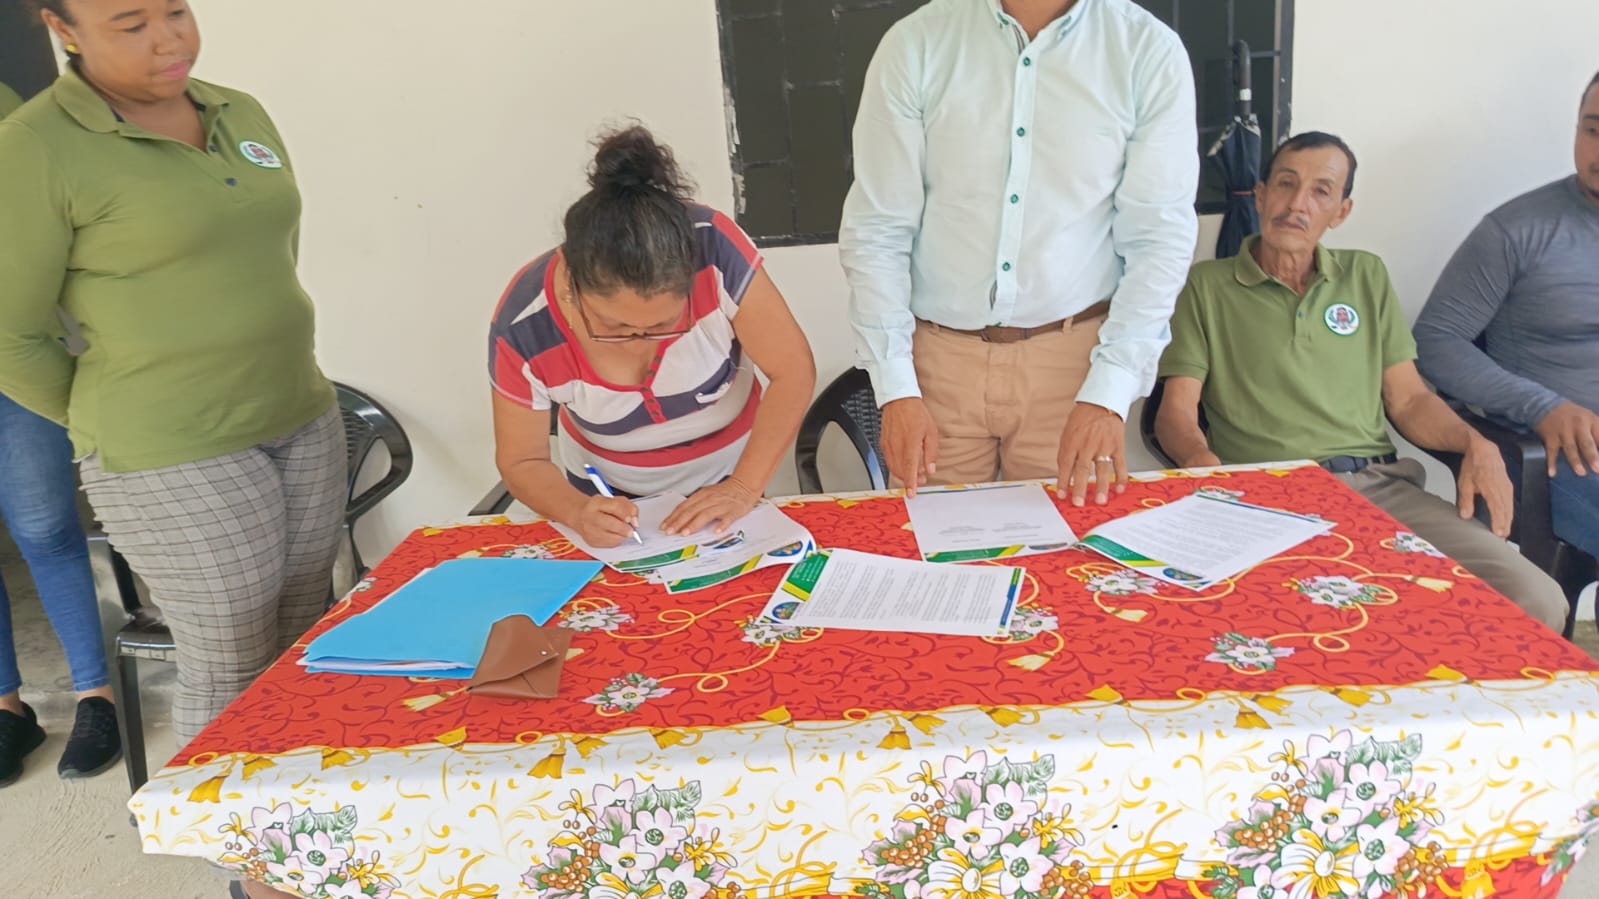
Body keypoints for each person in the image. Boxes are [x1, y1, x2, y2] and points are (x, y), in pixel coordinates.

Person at [0, 0, 346, 823]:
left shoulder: (236, 109)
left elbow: (268, 252)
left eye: (176, 11)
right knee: (229, 653)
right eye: (130, 23)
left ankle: (310, 831)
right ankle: (244, 855)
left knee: (306, 639)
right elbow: (10, 331)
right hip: (166, 447)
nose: (168, 39)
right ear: (61, 27)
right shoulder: (34, 146)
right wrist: (106, 416)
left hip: (298, 412)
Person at [1154, 131, 1568, 633]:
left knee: (1535, 599)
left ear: (1341, 212)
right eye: (1285, 184)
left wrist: (1474, 442)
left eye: (1321, 191)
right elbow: (1176, 413)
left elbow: (1409, 400)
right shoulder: (1207, 286)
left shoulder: (1365, 276)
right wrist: (1200, 461)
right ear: (1260, 195)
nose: (1297, 204)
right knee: (1283, 620)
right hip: (1267, 497)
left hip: (1378, 488)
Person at [840, 0, 1199, 505]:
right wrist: (896, 387)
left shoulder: (1145, 49)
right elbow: (879, 229)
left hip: (1074, 365)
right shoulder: (917, 42)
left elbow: (1158, 240)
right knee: (938, 543)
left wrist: (1109, 394)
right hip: (939, 364)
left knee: (1074, 547)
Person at [490, 126, 816, 547]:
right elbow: (522, 459)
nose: (640, 341)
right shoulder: (524, 326)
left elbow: (792, 370)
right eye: (614, 327)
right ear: (570, 282)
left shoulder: (715, 250)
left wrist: (742, 487)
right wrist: (576, 512)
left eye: (664, 325)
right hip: (603, 494)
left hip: (731, 478)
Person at [1413, 71, 1599, 563]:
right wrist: (1543, 407)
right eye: (1592, 129)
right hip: (1564, 454)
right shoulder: (1516, 231)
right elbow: (1435, 340)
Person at [0, 79, 121, 788]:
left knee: (47, 529)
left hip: (14, 358)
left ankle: (96, 696)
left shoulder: (9, 113)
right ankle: (8, 708)